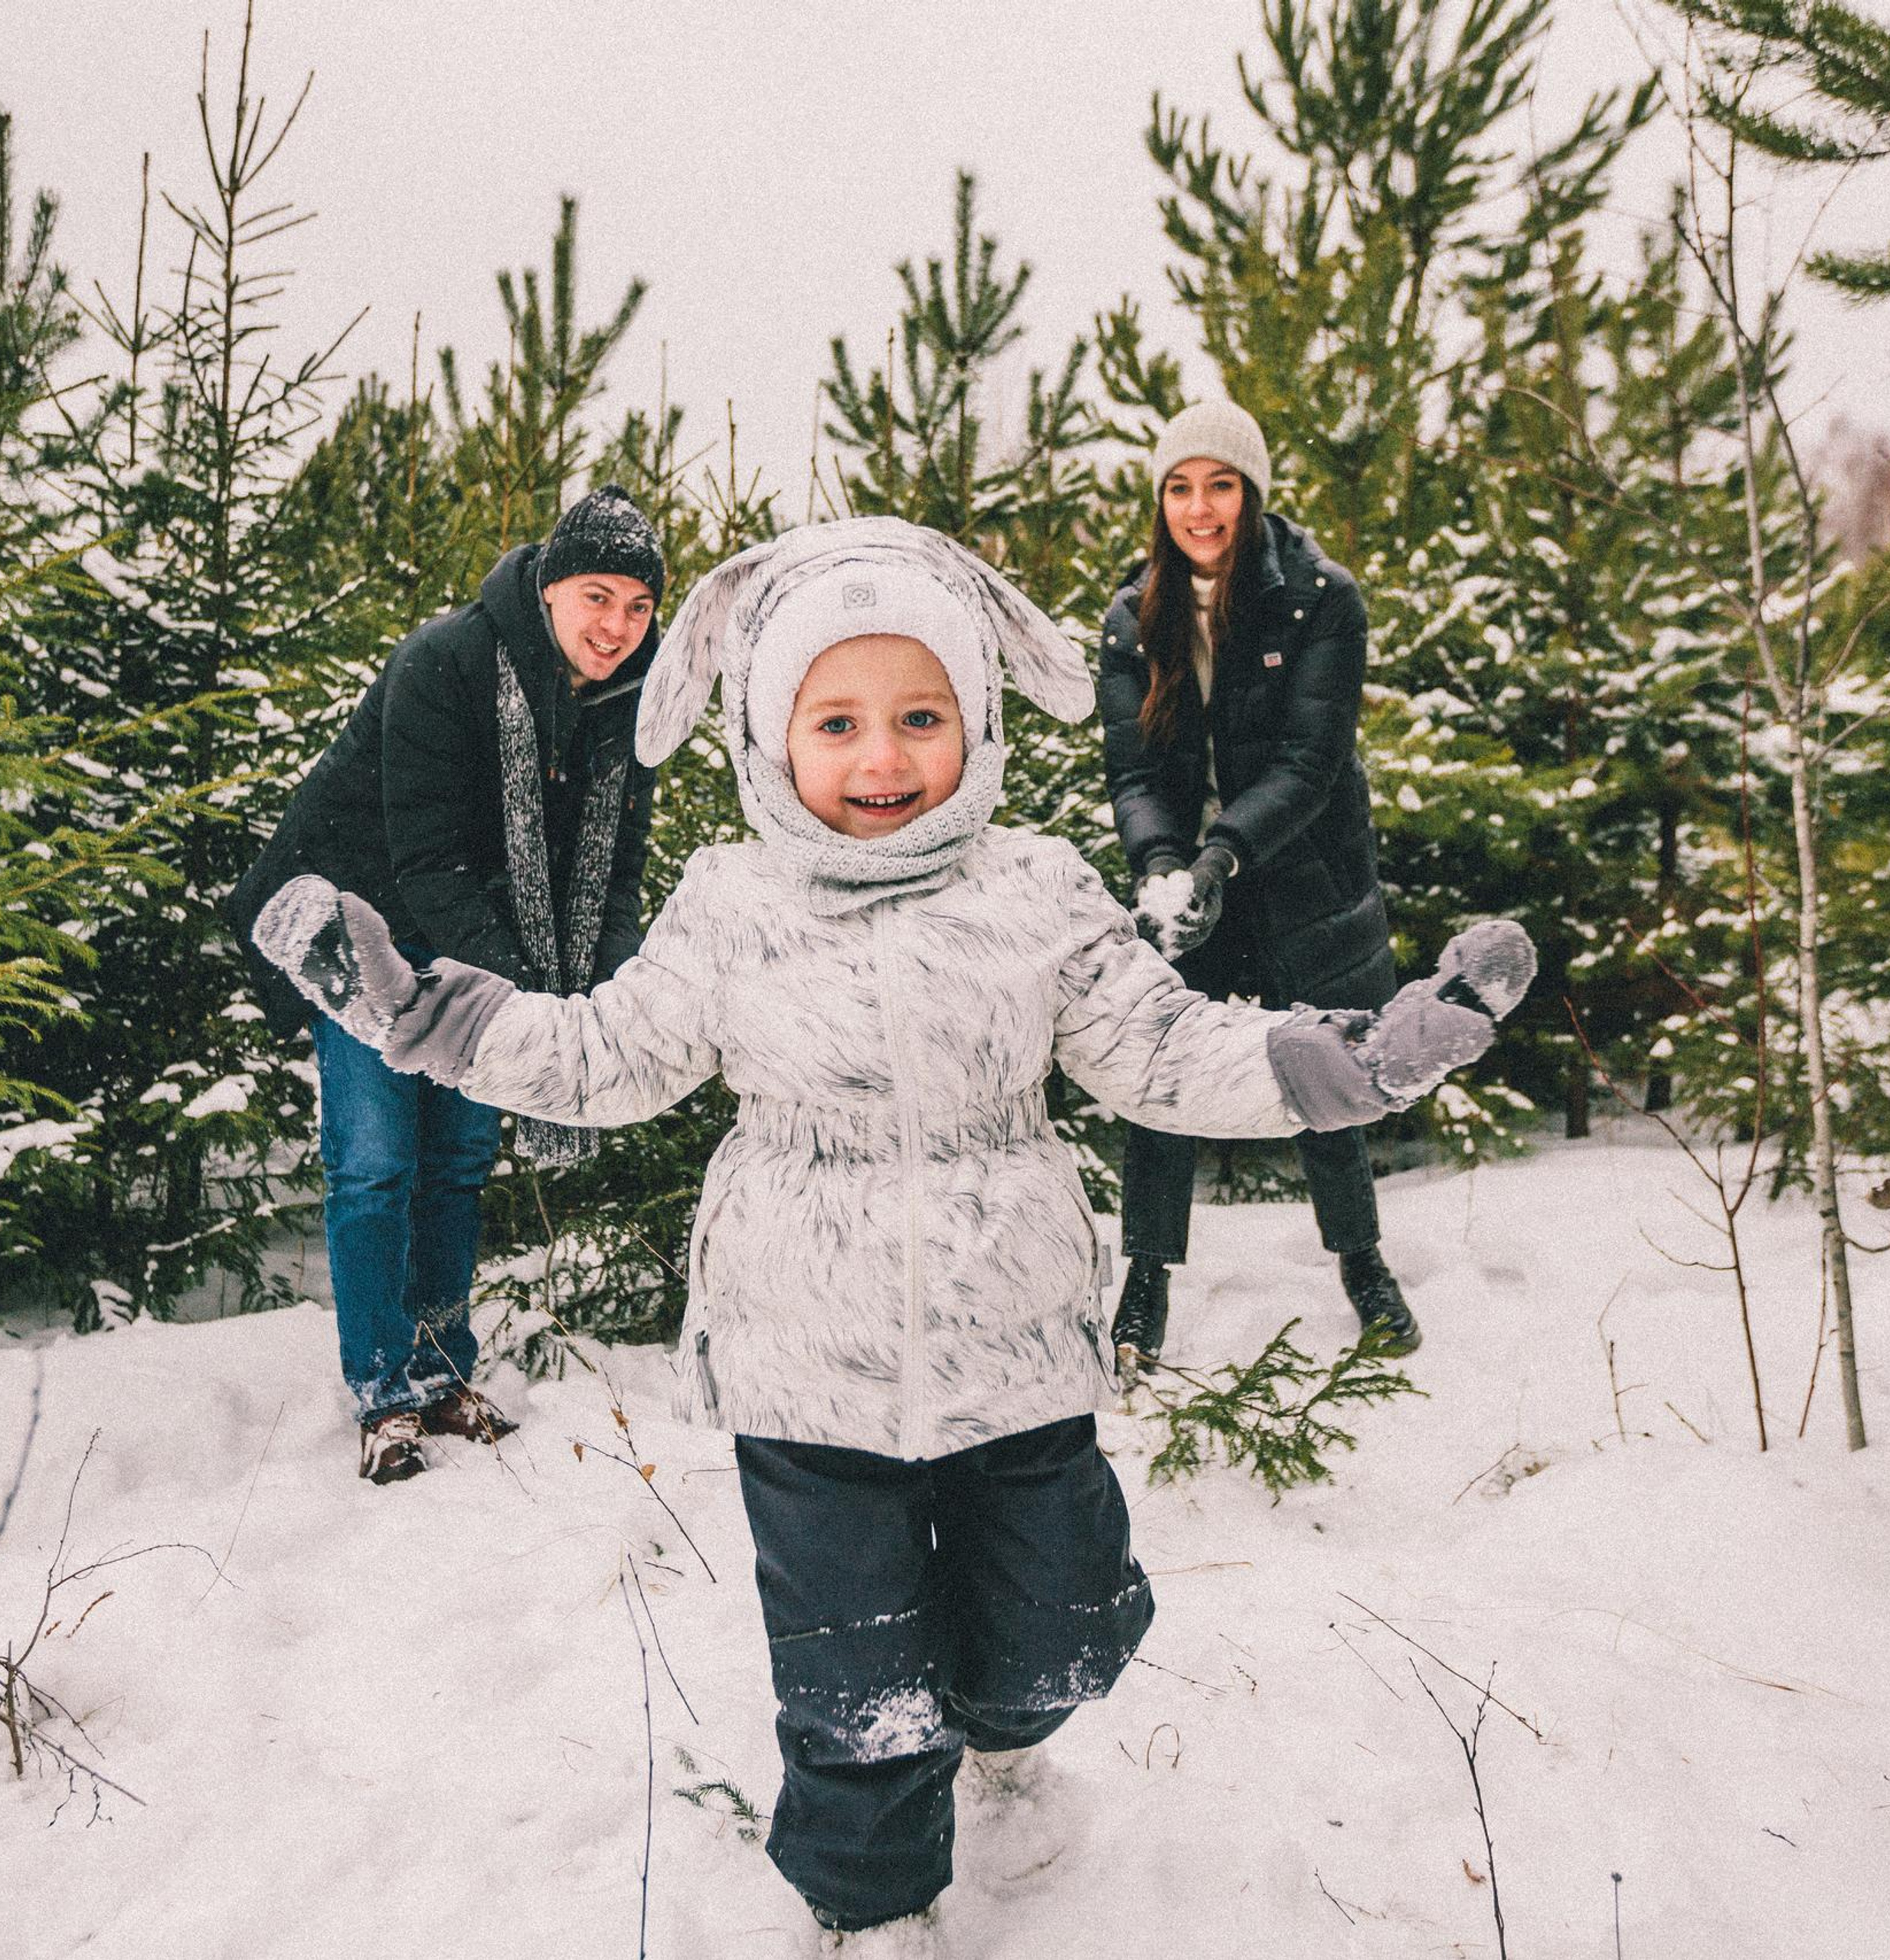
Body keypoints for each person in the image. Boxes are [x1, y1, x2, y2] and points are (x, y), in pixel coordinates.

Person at [250, 517, 1533, 1944]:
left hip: (1019, 1358)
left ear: (976, 721)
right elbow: (602, 1054)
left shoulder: (1034, 891)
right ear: (767, 737)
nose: (882, 760)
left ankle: (1007, 1729)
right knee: (856, 1693)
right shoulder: (732, 908)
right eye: (839, 721)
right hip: (810, 1377)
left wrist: (1355, 1060)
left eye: (920, 717)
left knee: (1055, 1637)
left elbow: (1166, 1051)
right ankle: (873, 1912)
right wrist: (426, 1016)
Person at [228, 485, 665, 1485]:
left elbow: (620, 869)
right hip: (363, 926)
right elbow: (425, 856)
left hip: (477, 940)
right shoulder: (447, 660)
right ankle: (383, 1390)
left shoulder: (628, 701)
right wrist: (530, 1002)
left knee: (460, 1159)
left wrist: (616, 996)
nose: (616, 625)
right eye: (598, 596)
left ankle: (439, 1367)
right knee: (378, 1161)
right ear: (551, 588)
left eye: (638, 607)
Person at [1098, 399, 1418, 1367]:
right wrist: (1162, 864)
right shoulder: (1131, 617)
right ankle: (1144, 1279)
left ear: (1252, 493)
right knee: (1163, 1071)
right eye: (1181, 487)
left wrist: (1220, 854)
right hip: (1190, 881)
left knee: (1319, 1064)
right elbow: (1136, 772)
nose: (1201, 508)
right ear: (1161, 501)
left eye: (1221, 485)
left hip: (1293, 869)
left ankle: (1363, 1263)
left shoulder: (1319, 599)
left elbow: (1309, 760)